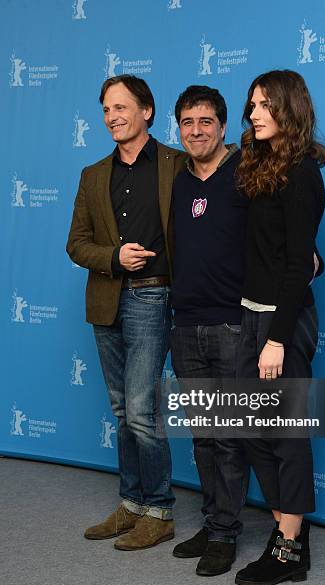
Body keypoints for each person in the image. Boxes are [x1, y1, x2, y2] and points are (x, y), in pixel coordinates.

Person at [66, 75, 186, 551]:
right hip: (105, 301)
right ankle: (132, 503)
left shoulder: (176, 165)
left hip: (153, 297)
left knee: (141, 410)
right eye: (106, 110)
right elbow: (76, 244)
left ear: (147, 111)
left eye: (121, 107)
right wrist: (114, 258)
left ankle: (159, 509)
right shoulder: (92, 174)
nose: (112, 117)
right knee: (122, 412)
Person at [234, 70, 325, 585]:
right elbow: (293, 250)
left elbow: (296, 265)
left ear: (288, 108)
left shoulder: (303, 172)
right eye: (251, 104)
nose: (253, 113)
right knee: (250, 427)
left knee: (286, 433)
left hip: (281, 321)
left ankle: (288, 547)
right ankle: (287, 527)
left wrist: (276, 338)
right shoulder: (262, 166)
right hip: (252, 312)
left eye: (264, 104)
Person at [169, 86, 250, 576]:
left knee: (229, 437)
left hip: (233, 325)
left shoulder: (245, 175)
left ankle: (225, 533)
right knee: (202, 435)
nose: (196, 131)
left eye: (205, 121)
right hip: (186, 325)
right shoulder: (178, 181)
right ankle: (211, 520)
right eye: (187, 122)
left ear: (222, 126)